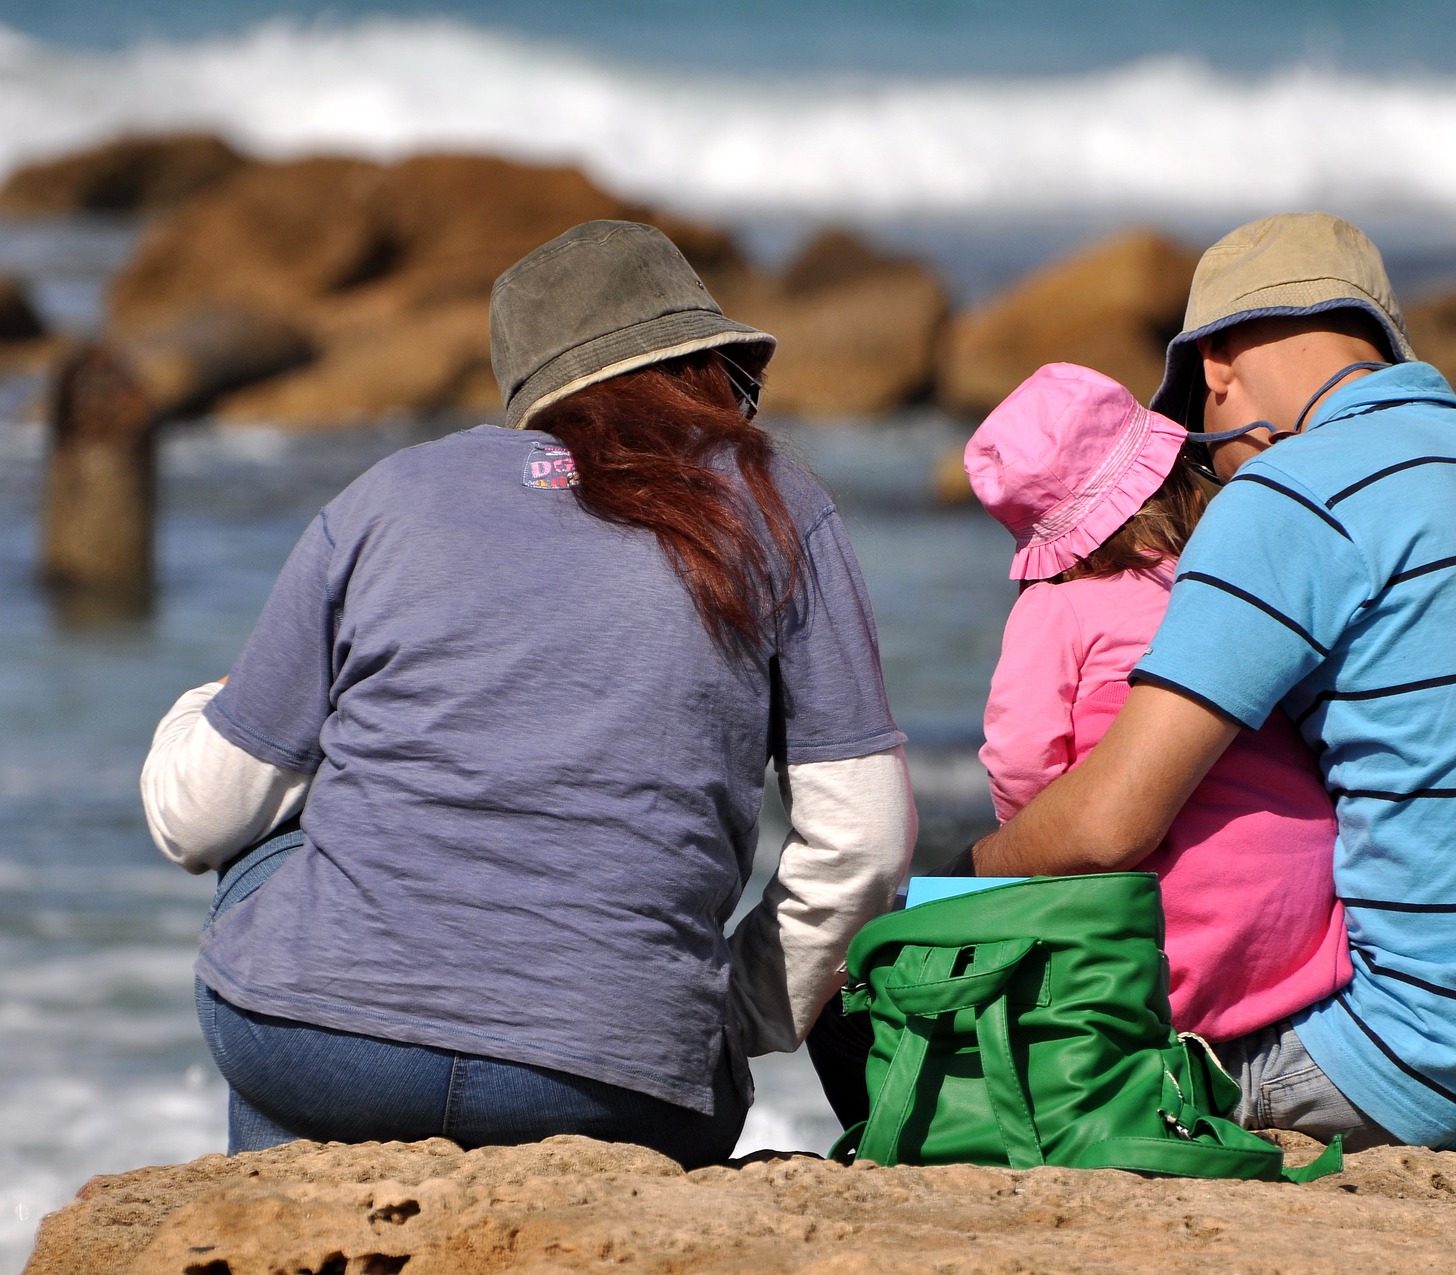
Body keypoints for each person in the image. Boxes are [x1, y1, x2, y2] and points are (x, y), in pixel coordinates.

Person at [140, 220, 916, 1166]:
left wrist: (205, 702)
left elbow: (199, 819)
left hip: (324, 1051)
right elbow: (867, 843)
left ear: (530, 393)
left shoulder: (392, 493)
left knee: (287, 823)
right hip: (619, 1083)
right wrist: (727, 1012)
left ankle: (281, 1219)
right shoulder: (779, 504)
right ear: (711, 374)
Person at [971, 213, 1456, 1163]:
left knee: (974, 1044)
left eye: (1201, 426)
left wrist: (971, 875)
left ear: (1216, 366)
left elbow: (1110, 827)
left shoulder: (1294, 492)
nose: (1210, 459)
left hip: (1408, 1070)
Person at [966, 362, 1348, 1042]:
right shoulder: (1224, 590)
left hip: (1181, 943)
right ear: (1172, 475)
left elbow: (1021, 758)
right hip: (1310, 925)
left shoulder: (1056, 607)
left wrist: (1033, 842)